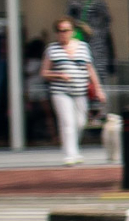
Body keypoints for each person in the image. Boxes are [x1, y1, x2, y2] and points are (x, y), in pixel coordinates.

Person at [42, 18, 103, 166]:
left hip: (80, 91)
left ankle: (73, 149)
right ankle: (70, 154)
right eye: (60, 31)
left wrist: (98, 88)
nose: (63, 34)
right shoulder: (52, 49)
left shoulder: (83, 47)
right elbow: (44, 72)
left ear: (73, 32)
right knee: (67, 122)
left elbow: (90, 69)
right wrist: (59, 75)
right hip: (60, 92)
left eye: (66, 30)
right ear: (56, 33)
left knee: (80, 122)